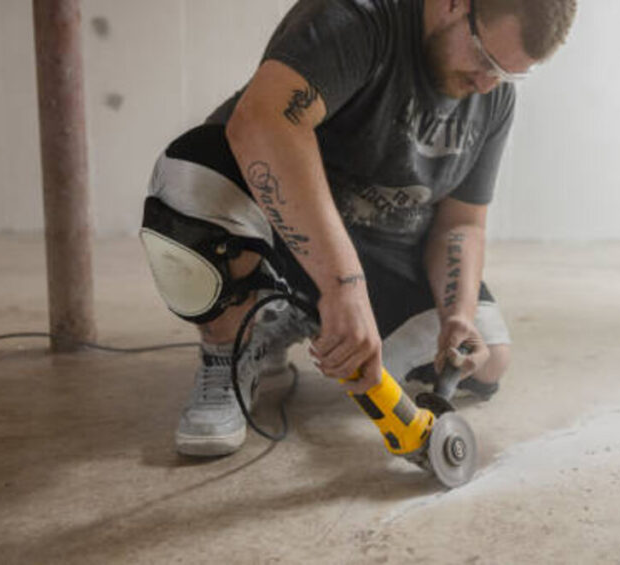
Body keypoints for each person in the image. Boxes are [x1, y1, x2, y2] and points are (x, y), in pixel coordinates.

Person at [139, 0, 577, 457]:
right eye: (486, 60)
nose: (487, 83)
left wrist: (458, 316)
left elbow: (461, 223)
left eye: (508, 75)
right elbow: (262, 120)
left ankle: (294, 316)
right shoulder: (358, 18)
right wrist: (343, 285)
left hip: (383, 249)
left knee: (488, 360)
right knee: (192, 181)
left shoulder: (492, 97)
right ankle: (227, 347)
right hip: (277, 225)